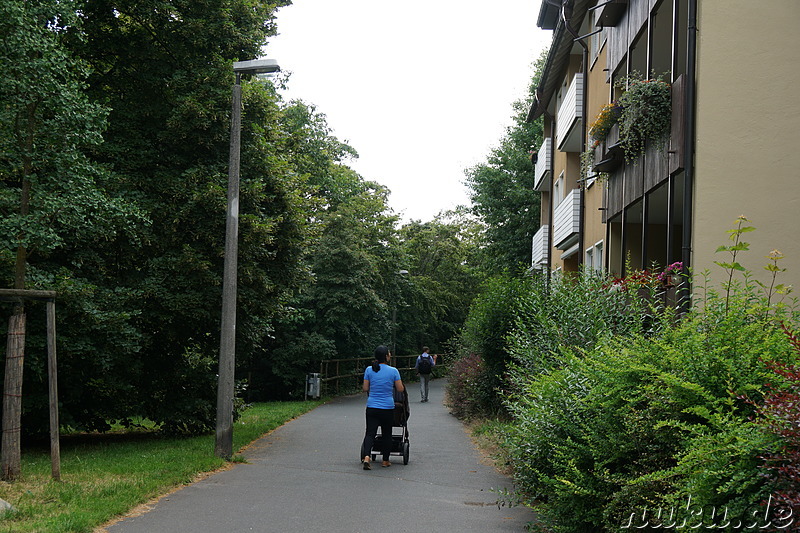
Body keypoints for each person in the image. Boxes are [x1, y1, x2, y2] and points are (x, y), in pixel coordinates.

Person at [361, 345, 404, 470]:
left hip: (372, 406)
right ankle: (385, 460)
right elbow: (400, 389)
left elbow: (365, 388)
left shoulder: (369, 370)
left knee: (370, 433)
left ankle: (367, 456)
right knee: (387, 434)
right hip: (387, 407)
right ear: (386, 356)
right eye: (389, 354)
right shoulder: (393, 371)